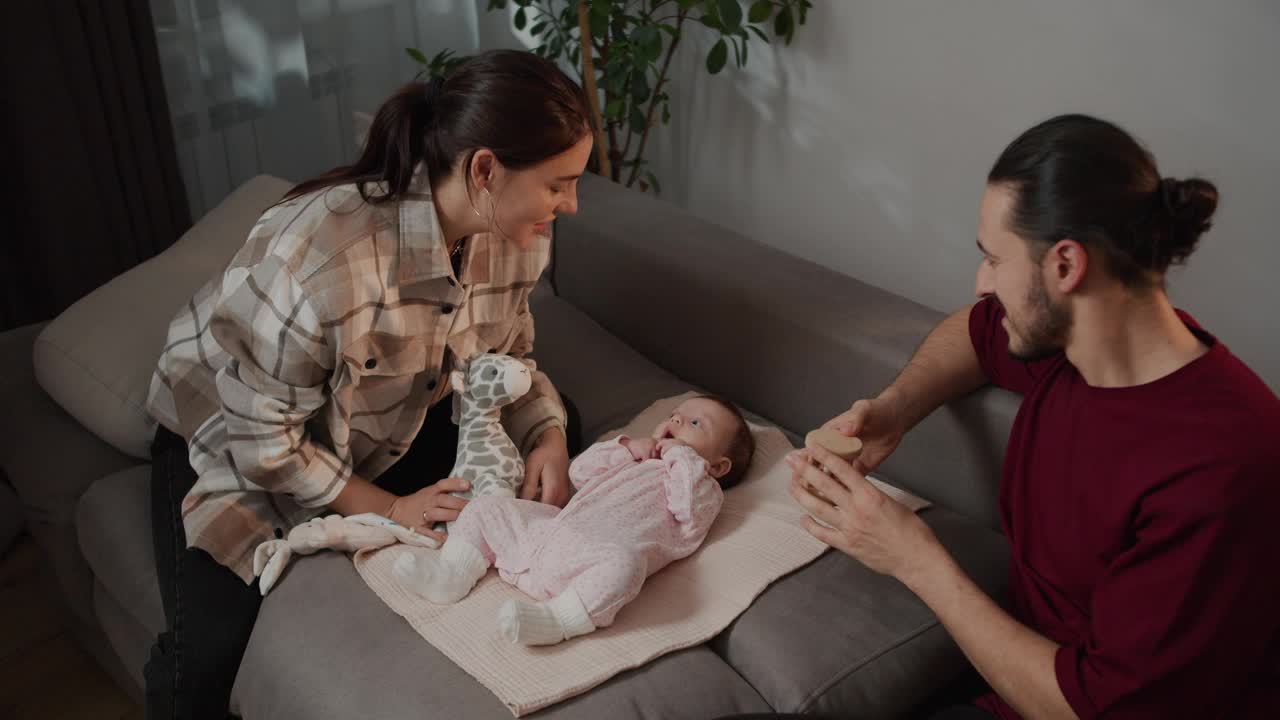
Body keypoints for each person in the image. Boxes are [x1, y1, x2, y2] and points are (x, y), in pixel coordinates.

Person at [142, 49, 594, 719]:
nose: (573, 205)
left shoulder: (515, 233)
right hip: (237, 437)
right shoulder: (323, 259)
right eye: (559, 184)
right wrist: (388, 510)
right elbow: (263, 438)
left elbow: (506, 355)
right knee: (205, 660)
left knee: (561, 431)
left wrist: (549, 436)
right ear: (484, 169)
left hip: (389, 416)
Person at [786, 114, 1280, 719]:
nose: (981, 282)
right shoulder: (1074, 347)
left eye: (994, 259)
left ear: (1066, 266)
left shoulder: (1220, 468)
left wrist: (914, 557)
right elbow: (974, 333)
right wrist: (895, 409)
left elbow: (1091, 708)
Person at [395, 395, 754, 645]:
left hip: (592, 557)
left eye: (694, 423)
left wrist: (681, 458)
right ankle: (454, 574)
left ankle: (559, 619)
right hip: (551, 529)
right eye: (675, 414)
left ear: (719, 465)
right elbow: (579, 472)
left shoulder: (703, 485)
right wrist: (625, 448)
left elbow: (687, 512)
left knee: (626, 565)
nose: (675, 420)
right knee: (489, 507)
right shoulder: (636, 456)